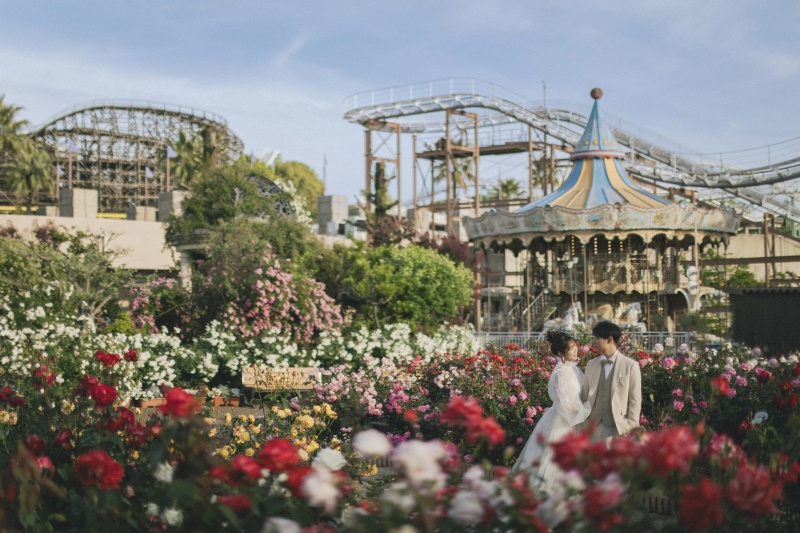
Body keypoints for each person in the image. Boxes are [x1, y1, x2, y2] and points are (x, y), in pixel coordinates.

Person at [512, 330, 591, 494]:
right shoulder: (561, 372)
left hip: (572, 417)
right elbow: (565, 402)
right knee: (554, 459)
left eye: (576, 346)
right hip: (563, 419)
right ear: (561, 353)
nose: (576, 350)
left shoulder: (573, 369)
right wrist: (586, 410)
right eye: (571, 348)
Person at [581, 320, 642, 440]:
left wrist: (631, 426)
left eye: (598, 338)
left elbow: (635, 399)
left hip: (618, 427)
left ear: (609, 340)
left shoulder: (630, 365)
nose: (595, 342)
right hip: (593, 426)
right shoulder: (591, 364)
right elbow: (585, 395)